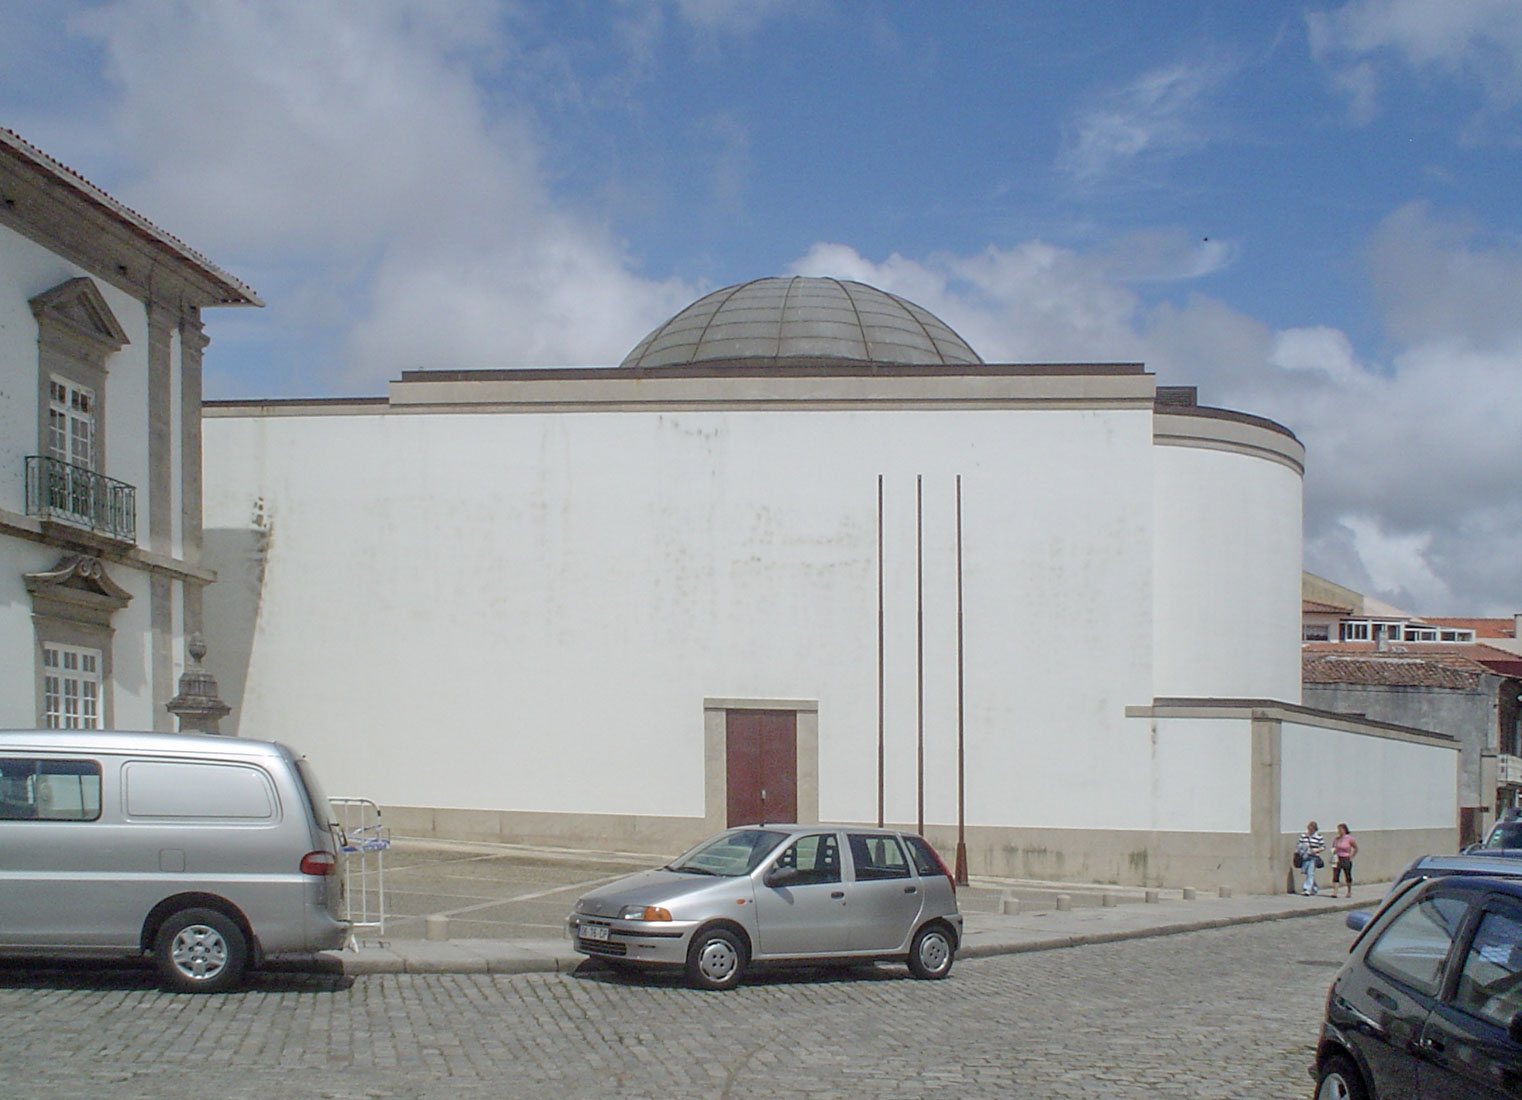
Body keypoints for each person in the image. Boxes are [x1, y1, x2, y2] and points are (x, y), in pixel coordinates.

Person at [1296, 821, 1326, 896]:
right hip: (1305, 856)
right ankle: (1315, 888)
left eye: (1312, 829)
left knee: (1310, 873)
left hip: (1313, 857)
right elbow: (1299, 845)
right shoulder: (1304, 836)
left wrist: (1316, 850)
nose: (1310, 830)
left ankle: (1307, 889)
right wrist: (1301, 848)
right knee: (1307, 872)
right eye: (1309, 828)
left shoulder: (1318, 837)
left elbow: (1323, 847)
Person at [1331, 823, 1358, 897]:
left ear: (1344, 830)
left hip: (1346, 858)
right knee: (1336, 875)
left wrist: (1351, 856)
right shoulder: (1336, 839)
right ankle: (1335, 892)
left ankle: (1349, 891)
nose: (1339, 831)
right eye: (1338, 829)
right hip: (1337, 858)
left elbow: (1355, 848)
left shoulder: (1349, 838)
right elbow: (1333, 847)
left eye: (1340, 829)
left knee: (1347, 875)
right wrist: (1334, 851)